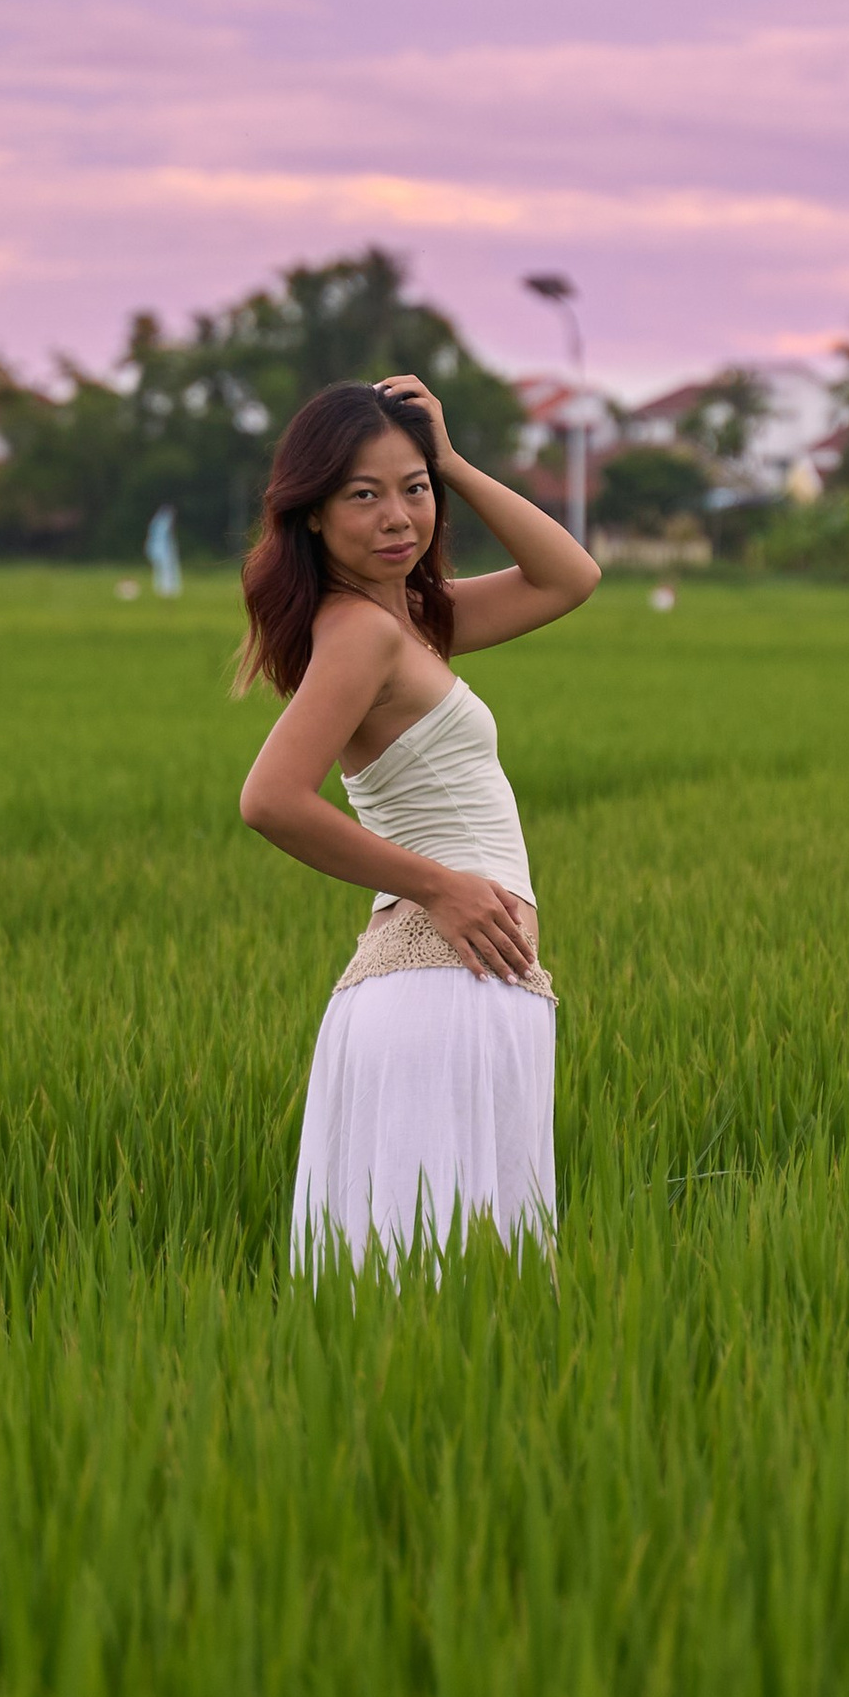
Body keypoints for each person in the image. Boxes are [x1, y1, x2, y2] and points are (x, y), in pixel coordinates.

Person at [236, 375, 600, 1268]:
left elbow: (570, 576)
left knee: (449, 1288)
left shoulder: (412, 621)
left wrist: (453, 459)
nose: (399, 515)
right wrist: (437, 883)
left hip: (461, 980)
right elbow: (270, 799)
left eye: (414, 488)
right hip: (441, 980)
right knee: (443, 1282)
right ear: (312, 513)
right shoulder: (361, 631)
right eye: (364, 494)